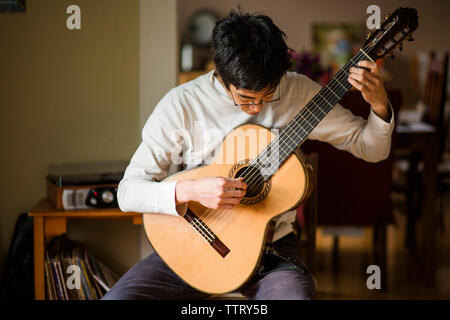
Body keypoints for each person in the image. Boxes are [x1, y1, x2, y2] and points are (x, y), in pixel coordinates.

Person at [102, 9, 393, 300]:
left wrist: (379, 105)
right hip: (191, 245)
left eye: (267, 95)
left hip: (272, 253)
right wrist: (189, 190)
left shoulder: (298, 93)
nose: (256, 107)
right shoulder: (181, 106)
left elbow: (371, 149)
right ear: (221, 73)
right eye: (245, 98)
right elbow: (127, 193)